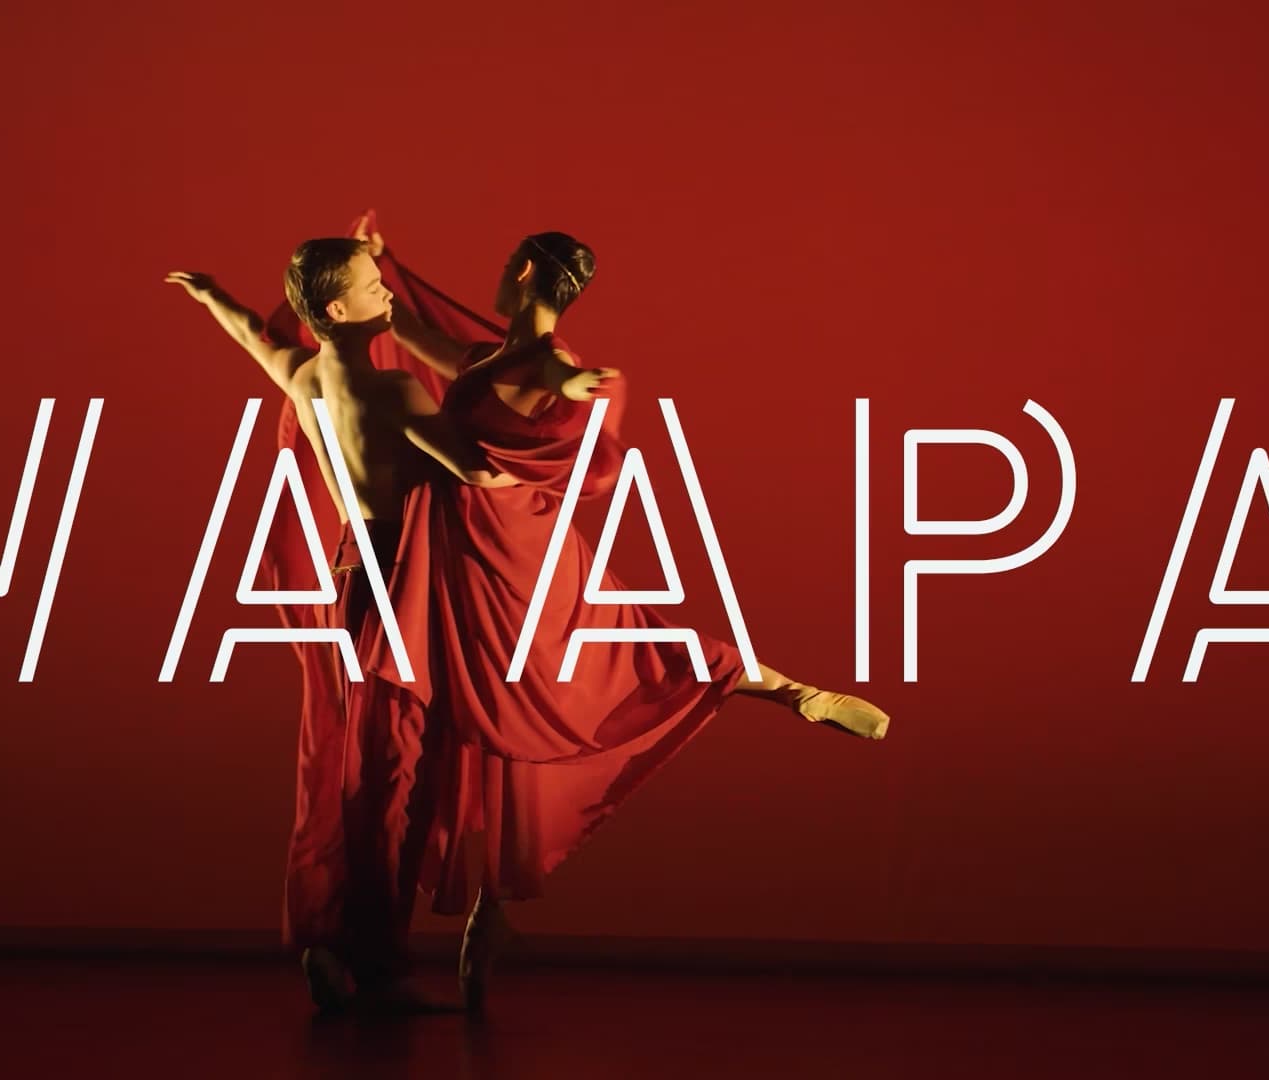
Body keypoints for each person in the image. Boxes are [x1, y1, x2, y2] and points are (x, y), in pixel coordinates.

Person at [358, 221, 891, 1011]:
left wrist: (581, 389)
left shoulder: (549, 362)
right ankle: (490, 914)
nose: (499, 275)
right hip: (480, 550)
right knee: (498, 712)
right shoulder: (486, 360)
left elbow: (571, 385)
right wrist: (375, 267)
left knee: (584, 673)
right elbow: (409, 331)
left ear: (532, 274)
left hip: (516, 548)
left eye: (510, 264)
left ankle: (789, 691)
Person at [166, 240, 516, 1012]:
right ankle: (375, 962)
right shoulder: (394, 393)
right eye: (372, 285)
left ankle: (346, 945)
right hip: (401, 575)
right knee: (390, 771)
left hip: (350, 573)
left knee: (370, 762)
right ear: (336, 310)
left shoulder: (302, 376)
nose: (386, 292)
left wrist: (210, 292)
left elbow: (252, 336)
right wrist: (561, 448)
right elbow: (480, 471)